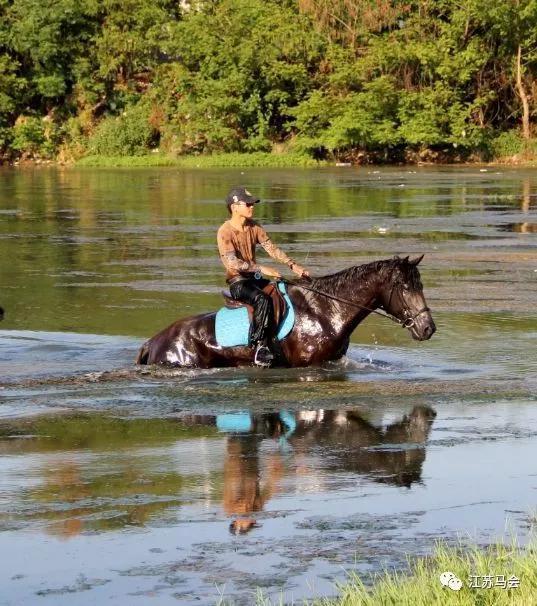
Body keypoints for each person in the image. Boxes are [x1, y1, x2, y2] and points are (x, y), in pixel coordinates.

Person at [217, 187, 310, 366]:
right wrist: (262, 268)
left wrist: (293, 265)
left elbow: (272, 249)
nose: (252, 207)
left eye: (253, 204)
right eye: (248, 204)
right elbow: (232, 263)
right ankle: (260, 347)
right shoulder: (224, 231)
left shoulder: (255, 226)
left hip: (254, 277)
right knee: (262, 299)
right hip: (238, 282)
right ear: (234, 207)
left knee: (283, 289)